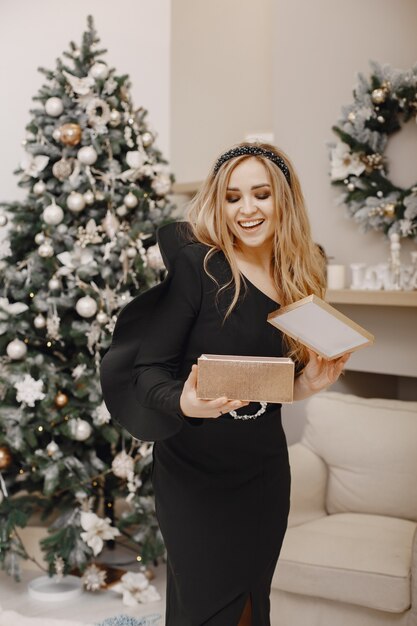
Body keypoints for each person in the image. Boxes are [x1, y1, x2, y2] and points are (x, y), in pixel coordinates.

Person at [100, 142, 350, 626]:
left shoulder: (303, 272)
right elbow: (147, 371)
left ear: (285, 199)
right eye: (233, 197)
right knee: (206, 611)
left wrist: (309, 384)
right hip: (194, 476)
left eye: (261, 194)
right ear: (219, 202)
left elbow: (275, 384)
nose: (247, 209)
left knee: (253, 604)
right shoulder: (200, 267)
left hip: (263, 473)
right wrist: (188, 402)